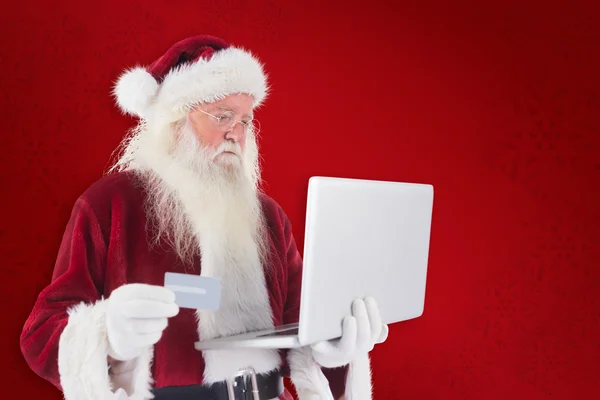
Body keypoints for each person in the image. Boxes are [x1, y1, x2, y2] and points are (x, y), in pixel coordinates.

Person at [19, 35, 388, 400]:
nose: (236, 133)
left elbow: (301, 327)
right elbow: (42, 334)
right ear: (175, 123)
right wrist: (105, 334)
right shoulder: (109, 205)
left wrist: (333, 346)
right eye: (223, 116)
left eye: (245, 120)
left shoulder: (269, 218)